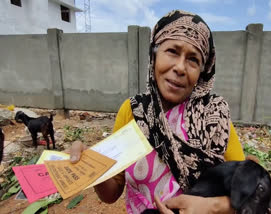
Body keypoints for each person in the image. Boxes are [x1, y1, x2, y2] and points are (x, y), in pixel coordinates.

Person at [70, 10, 245, 214]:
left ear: (202, 71)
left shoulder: (214, 118)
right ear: (154, 55)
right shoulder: (133, 111)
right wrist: (90, 168)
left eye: (193, 60)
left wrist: (210, 206)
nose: (180, 67)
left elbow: (252, 192)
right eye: (172, 51)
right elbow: (112, 193)